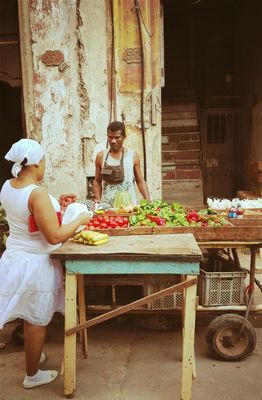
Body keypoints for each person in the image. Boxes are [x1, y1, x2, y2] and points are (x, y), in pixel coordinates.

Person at [0, 138, 91, 389]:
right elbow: (54, 236)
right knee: (36, 319)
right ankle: (32, 375)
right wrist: (80, 218)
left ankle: (33, 355)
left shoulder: (8, 186)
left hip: (15, 259)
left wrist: (59, 208)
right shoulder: (37, 194)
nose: (45, 167)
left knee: (27, 312)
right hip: (36, 263)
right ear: (36, 163)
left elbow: (31, 221)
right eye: (44, 162)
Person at [93, 121, 150, 207]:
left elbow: (140, 181)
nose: (113, 141)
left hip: (130, 208)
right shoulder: (101, 156)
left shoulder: (132, 156)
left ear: (124, 137)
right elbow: (97, 181)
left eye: (117, 137)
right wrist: (98, 200)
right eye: (110, 137)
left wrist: (147, 199)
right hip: (108, 208)